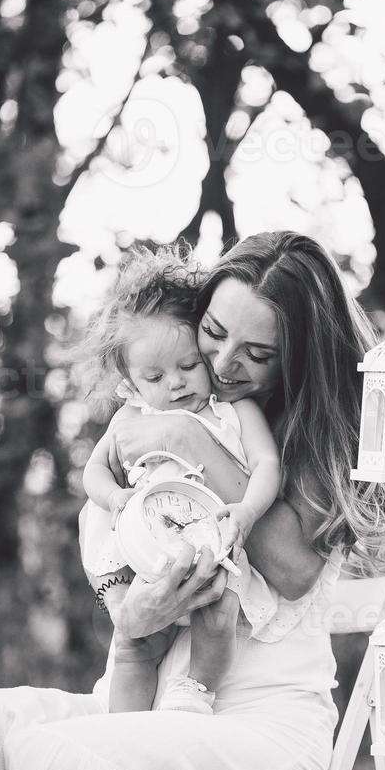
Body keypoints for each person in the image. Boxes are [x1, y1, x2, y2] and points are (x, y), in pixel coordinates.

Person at [0, 232, 385, 770]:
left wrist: (189, 438)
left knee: (59, 758)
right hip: (140, 705)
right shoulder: (153, 410)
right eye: (212, 332)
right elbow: (110, 555)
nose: (221, 362)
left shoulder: (306, 442)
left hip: (262, 730)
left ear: (298, 357)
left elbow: (293, 571)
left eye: (257, 353)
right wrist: (127, 611)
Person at [80, 246, 281, 716]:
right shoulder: (131, 417)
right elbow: (93, 471)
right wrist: (115, 498)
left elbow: (268, 463)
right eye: (155, 376)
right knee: (135, 644)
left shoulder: (234, 411)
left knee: (220, 613)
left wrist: (249, 509)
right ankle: (126, 730)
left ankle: (195, 694)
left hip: (215, 544)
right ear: (131, 382)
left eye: (189, 366)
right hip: (146, 550)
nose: (175, 384)